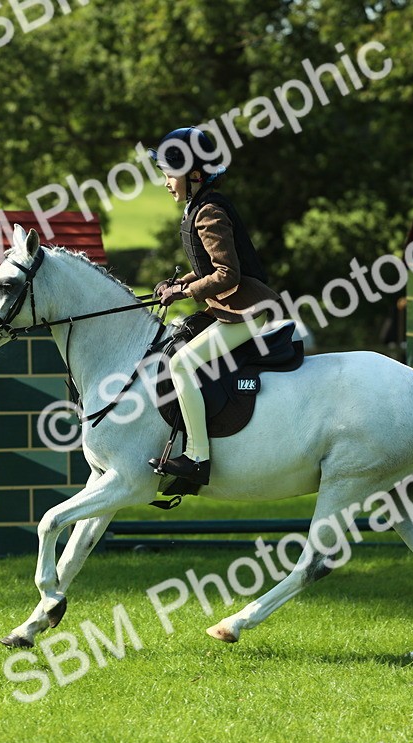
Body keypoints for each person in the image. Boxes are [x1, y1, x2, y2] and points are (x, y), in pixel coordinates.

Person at [145, 126, 282, 485]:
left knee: (181, 365)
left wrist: (185, 293)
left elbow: (228, 274)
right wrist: (182, 283)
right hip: (232, 307)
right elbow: (207, 268)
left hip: (246, 310)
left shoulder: (208, 213)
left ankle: (197, 458)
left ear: (193, 174)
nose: (165, 183)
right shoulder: (199, 206)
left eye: (168, 174)